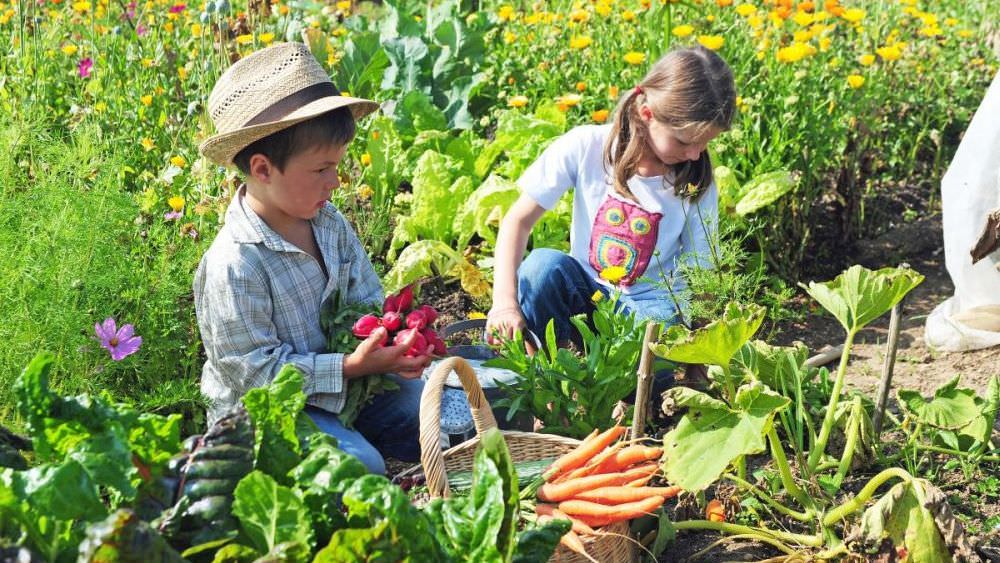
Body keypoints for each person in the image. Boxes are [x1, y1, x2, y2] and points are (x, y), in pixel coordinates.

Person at [193, 42, 432, 475]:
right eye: (322, 170)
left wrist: (391, 342)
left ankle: (373, 436)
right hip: (273, 414)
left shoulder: (327, 223)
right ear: (263, 169)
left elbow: (366, 299)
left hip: (353, 382)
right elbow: (256, 378)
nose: (336, 182)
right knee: (359, 471)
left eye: (337, 167)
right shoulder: (235, 263)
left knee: (446, 410)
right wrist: (349, 365)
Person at [487, 46, 736, 375]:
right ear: (646, 112)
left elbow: (703, 275)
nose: (694, 154)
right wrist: (504, 303)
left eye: (705, 143)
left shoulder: (694, 182)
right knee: (541, 268)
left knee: (656, 333)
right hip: (586, 294)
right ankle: (554, 374)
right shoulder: (585, 147)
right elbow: (517, 222)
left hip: (648, 311)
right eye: (684, 141)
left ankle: (620, 388)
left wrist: (699, 364)